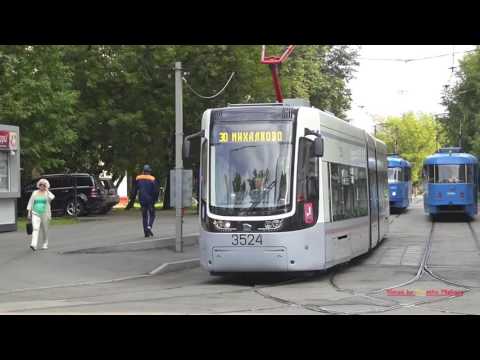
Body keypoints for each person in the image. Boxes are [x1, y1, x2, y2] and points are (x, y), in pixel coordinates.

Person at [126, 164, 159, 237]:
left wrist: (132, 198)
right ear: (149, 171)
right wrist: (155, 199)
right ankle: (149, 227)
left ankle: (146, 233)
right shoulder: (152, 179)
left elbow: (134, 190)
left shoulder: (138, 178)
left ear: (143, 171)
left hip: (142, 200)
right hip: (150, 200)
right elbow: (156, 191)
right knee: (152, 215)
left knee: (144, 216)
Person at [26, 178, 55, 251]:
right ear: (38, 185)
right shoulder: (35, 192)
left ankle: (45, 243)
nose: (42, 186)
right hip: (35, 213)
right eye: (40, 185)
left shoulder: (47, 193)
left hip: (45, 214)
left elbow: (52, 197)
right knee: (35, 228)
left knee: (45, 230)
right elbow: (30, 202)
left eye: (44, 185)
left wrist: (47, 190)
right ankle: (33, 244)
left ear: (46, 186)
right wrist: (29, 213)